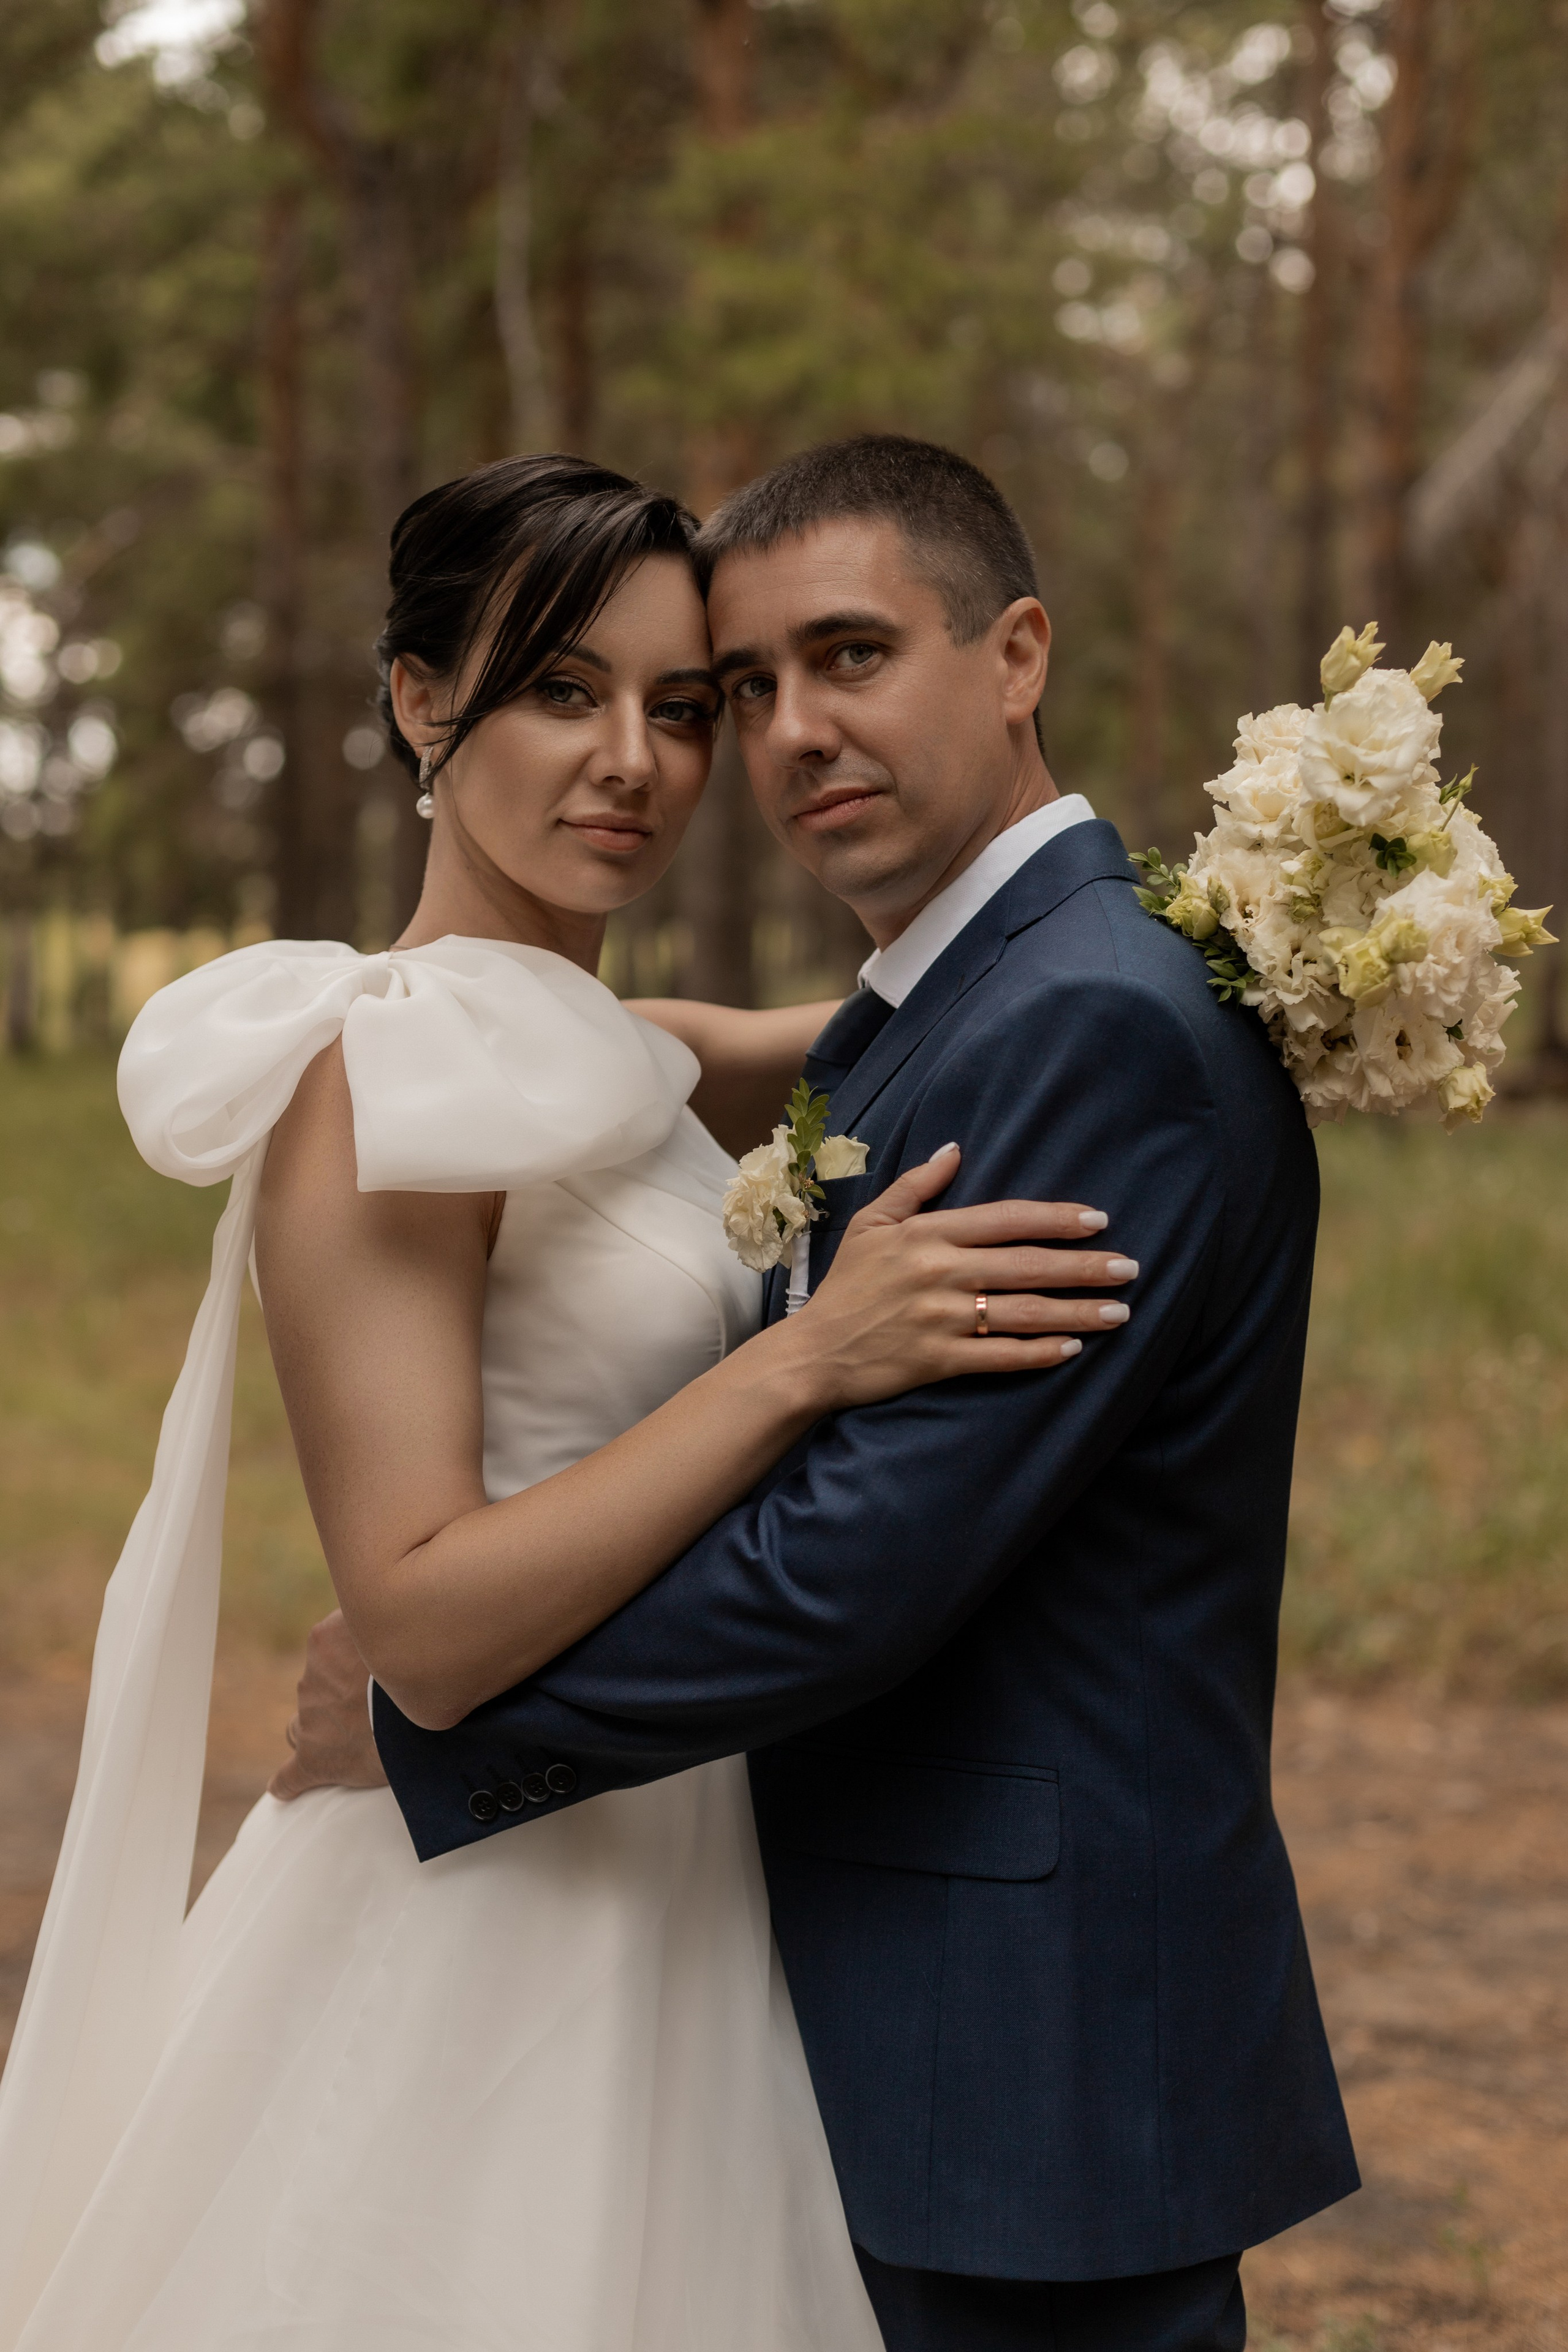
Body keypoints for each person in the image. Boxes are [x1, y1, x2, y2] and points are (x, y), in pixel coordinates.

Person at [0, 454, 1131, 2351]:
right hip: (480, 1905)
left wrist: (1270, 910)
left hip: (695, 1852)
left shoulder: (636, 1052)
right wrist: (804, 1361)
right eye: (558, 689)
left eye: (684, 709)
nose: (634, 760)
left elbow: (967, 1004)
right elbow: (422, 1625)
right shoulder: (374, 1078)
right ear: (419, 700)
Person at [292, 435, 1361, 2351]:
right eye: (751, 687)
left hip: (1009, 2033)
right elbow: (670, 1052)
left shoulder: (1082, 1014)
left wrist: (428, 1719)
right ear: (420, 703)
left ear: (1016, 653)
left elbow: (857, 1563)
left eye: (846, 658)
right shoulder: (954, 998)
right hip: (797, 1961)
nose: (778, 736)